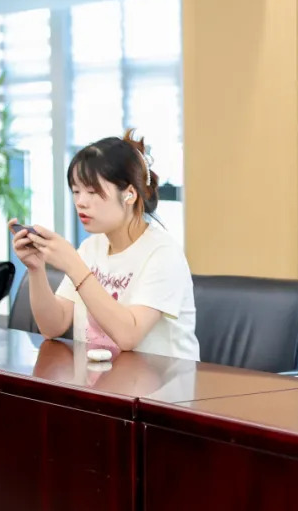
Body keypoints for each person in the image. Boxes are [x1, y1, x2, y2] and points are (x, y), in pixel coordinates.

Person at [11, 130, 199, 361]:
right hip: (103, 379)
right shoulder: (91, 248)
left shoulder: (163, 254)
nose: (80, 202)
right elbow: (53, 326)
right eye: (76, 191)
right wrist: (36, 269)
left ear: (129, 194)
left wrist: (74, 265)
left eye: (92, 192)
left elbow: (129, 336)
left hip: (160, 383)